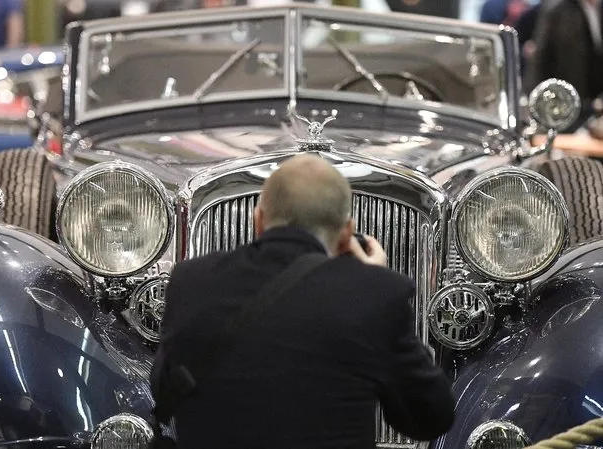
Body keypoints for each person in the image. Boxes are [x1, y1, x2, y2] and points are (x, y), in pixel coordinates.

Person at [151, 154, 455, 449]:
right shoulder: (375, 294)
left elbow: (163, 389)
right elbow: (430, 417)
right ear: (346, 234)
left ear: (258, 221)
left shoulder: (191, 281)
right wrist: (372, 280)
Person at [530, 0, 603, 129]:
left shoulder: (598, 8)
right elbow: (540, 60)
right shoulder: (558, 10)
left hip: (596, 101)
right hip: (568, 100)